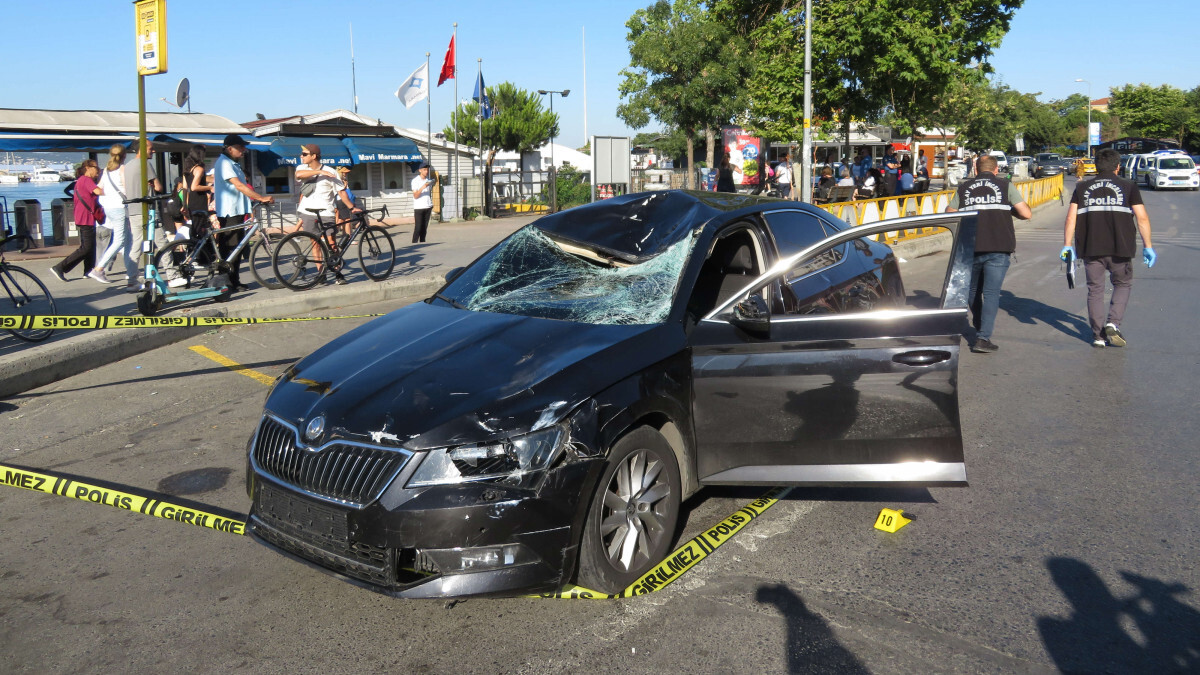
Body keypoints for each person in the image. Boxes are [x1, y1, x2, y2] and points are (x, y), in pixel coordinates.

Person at [1061, 148, 1154, 348]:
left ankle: (1097, 336)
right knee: (1122, 284)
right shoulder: (1129, 186)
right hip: (1121, 247)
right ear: (1118, 166)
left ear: (1095, 165)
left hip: (1091, 247)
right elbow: (1142, 218)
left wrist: (1067, 245)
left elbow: (1071, 218)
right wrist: (1148, 246)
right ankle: (1113, 322)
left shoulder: (1082, 187)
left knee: (1095, 289)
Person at [946, 154, 1032, 353]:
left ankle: (978, 320)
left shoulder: (964, 188)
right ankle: (983, 338)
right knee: (991, 293)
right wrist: (1008, 209)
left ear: (975, 170)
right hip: (999, 247)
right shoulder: (1005, 186)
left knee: (972, 291)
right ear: (996, 170)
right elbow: (1026, 213)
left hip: (971, 247)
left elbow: (951, 212)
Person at [213, 134, 273, 292]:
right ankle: (228, 282)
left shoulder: (233, 163)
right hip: (230, 211)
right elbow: (239, 185)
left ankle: (232, 280)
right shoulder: (225, 163)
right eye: (240, 147)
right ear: (229, 148)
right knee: (232, 248)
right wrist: (260, 197)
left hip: (238, 210)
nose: (244, 150)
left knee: (236, 248)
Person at [50, 160, 102, 282]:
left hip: (84, 216)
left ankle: (88, 270)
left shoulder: (80, 181)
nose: (98, 171)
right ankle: (60, 267)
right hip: (85, 217)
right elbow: (98, 192)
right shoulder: (86, 180)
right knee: (86, 247)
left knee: (91, 245)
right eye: (96, 168)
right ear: (88, 168)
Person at [122, 141, 163, 293]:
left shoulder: (128, 166)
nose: (153, 150)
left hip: (133, 210)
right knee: (161, 241)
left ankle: (132, 280)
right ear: (142, 149)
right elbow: (158, 187)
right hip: (148, 210)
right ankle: (173, 275)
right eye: (151, 148)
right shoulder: (145, 164)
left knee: (136, 245)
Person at [89, 145, 129, 284]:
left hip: (109, 208)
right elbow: (127, 188)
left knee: (126, 239)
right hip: (120, 207)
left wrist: (108, 195)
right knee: (119, 240)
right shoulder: (122, 169)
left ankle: (131, 272)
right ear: (124, 155)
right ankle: (98, 269)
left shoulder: (106, 170)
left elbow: (98, 188)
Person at [183, 144, 211, 239]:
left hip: (191, 203)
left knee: (195, 230)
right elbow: (194, 187)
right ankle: (198, 252)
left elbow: (185, 188)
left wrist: (184, 205)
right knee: (201, 230)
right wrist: (209, 188)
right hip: (199, 202)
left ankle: (193, 250)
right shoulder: (199, 169)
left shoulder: (187, 170)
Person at [411, 162, 434, 243]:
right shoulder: (415, 181)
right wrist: (422, 187)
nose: (426, 171)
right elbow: (415, 196)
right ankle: (414, 243)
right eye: (424, 170)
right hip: (419, 207)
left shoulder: (428, 180)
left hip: (428, 206)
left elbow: (428, 193)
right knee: (418, 227)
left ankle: (422, 243)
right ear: (420, 170)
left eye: (427, 170)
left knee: (424, 228)